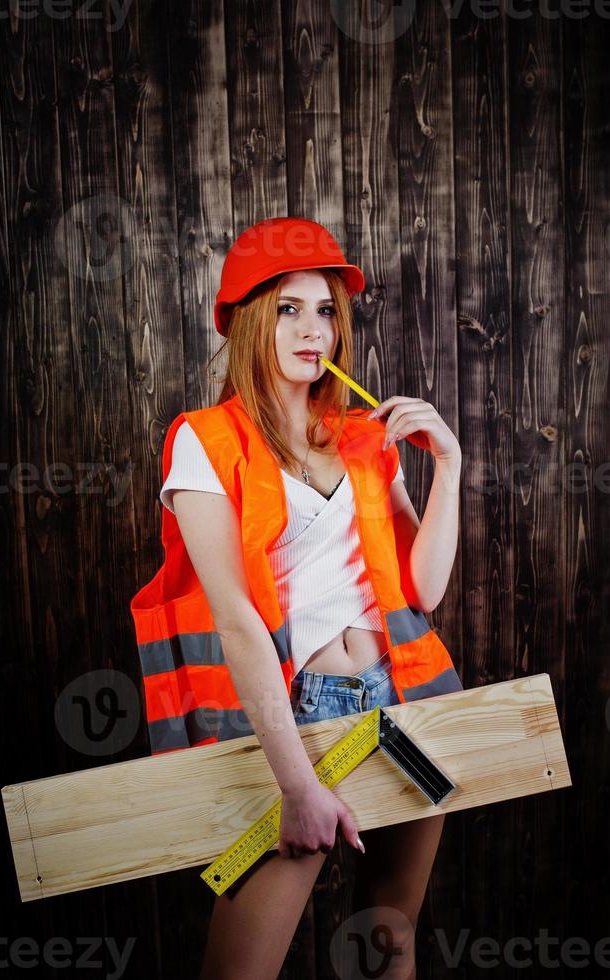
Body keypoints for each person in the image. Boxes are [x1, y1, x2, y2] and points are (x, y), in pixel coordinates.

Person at [132, 217, 464, 980]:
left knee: (388, 939)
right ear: (250, 319)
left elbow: (428, 587)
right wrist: (296, 784)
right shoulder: (206, 440)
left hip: (405, 701)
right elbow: (238, 624)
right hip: (295, 719)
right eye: (289, 309)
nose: (313, 330)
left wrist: (447, 465)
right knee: (239, 972)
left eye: (325, 311)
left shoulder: (361, 433)